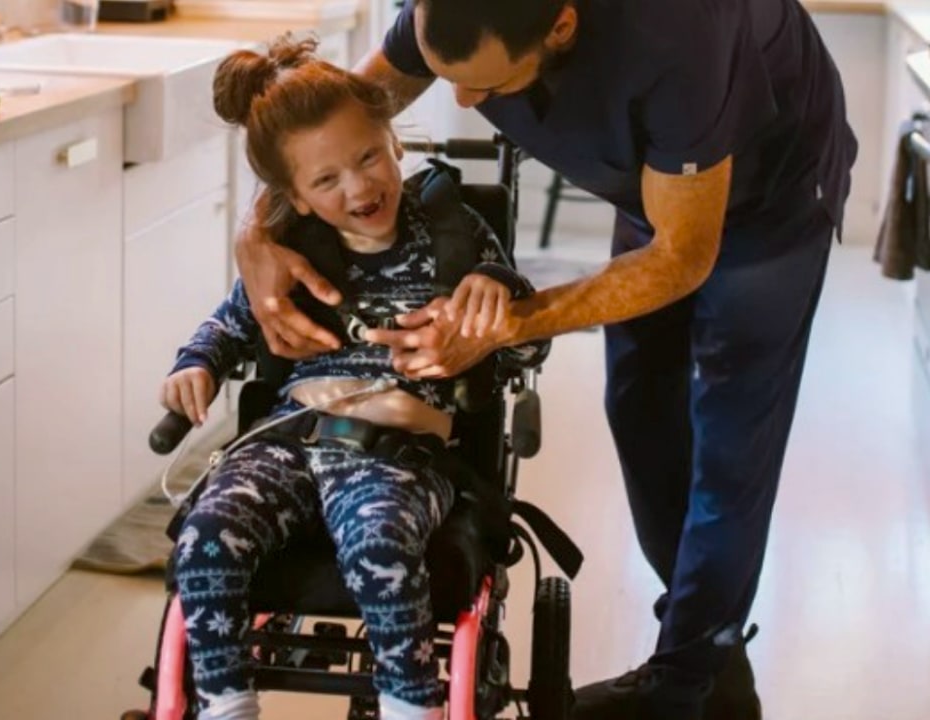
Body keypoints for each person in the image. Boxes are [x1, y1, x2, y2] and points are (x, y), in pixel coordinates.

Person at [233, 1, 858, 719]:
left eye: (488, 88)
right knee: (638, 403)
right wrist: (261, 230)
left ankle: (685, 683)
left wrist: (501, 321)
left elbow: (683, 256)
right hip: (660, 187)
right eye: (447, 78)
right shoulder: (452, 14)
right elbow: (317, 129)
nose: (462, 100)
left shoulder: (678, 35)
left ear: (561, 26)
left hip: (769, 197)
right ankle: (715, 664)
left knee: (728, 440)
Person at [161, 34, 547, 720]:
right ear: (297, 199)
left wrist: (491, 303)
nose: (360, 187)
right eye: (327, 180)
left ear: (394, 142)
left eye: (369, 157)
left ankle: (408, 705)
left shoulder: (453, 233)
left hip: (395, 453)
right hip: (288, 439)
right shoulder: (292, 253)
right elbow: (227, 324)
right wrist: (195, 364)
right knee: (206, 534)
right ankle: (224, 704)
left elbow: (514, 314)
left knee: (378, 545)